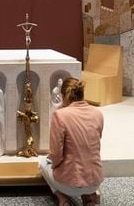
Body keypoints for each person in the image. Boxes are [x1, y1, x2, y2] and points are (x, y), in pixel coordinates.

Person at [39, 77, 104, 206]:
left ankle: (62, 198)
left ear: (64, 96)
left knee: (42, 163)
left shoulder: (60, 115)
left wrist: (53, 163)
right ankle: (89, 197)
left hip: (69, 184)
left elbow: (56, 154)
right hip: (95, 181)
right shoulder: (98, 113)